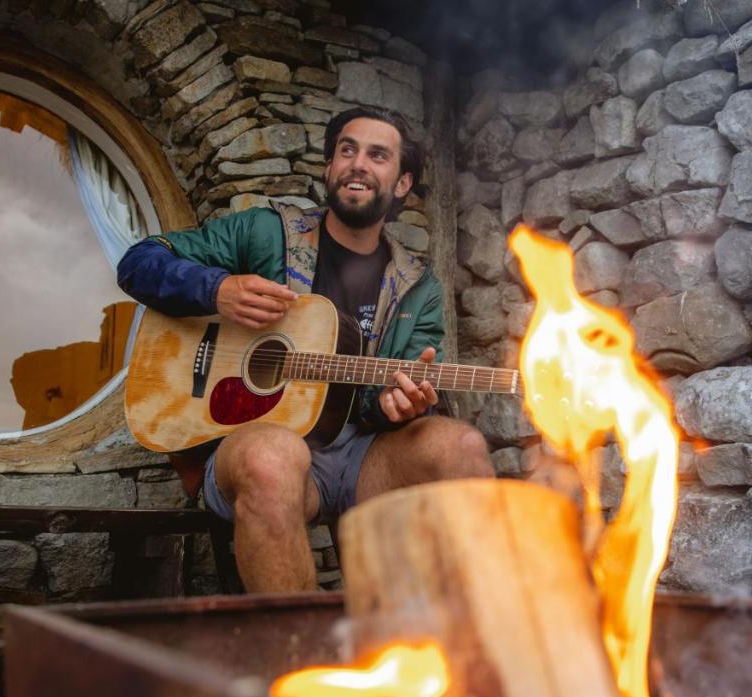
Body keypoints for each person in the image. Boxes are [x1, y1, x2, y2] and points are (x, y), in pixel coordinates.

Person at [117, 106, 495, 593]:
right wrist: (216, 289)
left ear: (402, 183)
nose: (359, 163)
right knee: (273, 456)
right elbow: (138, 262)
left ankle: (464, 642)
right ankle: (299, 659)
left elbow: (397, 393)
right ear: (329, 168)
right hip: (255, 447)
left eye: (378, 155)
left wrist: (389, 406)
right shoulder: (263, 233)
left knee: (459, 445)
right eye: (347, 150)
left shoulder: (418, 287)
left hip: (361, 456)